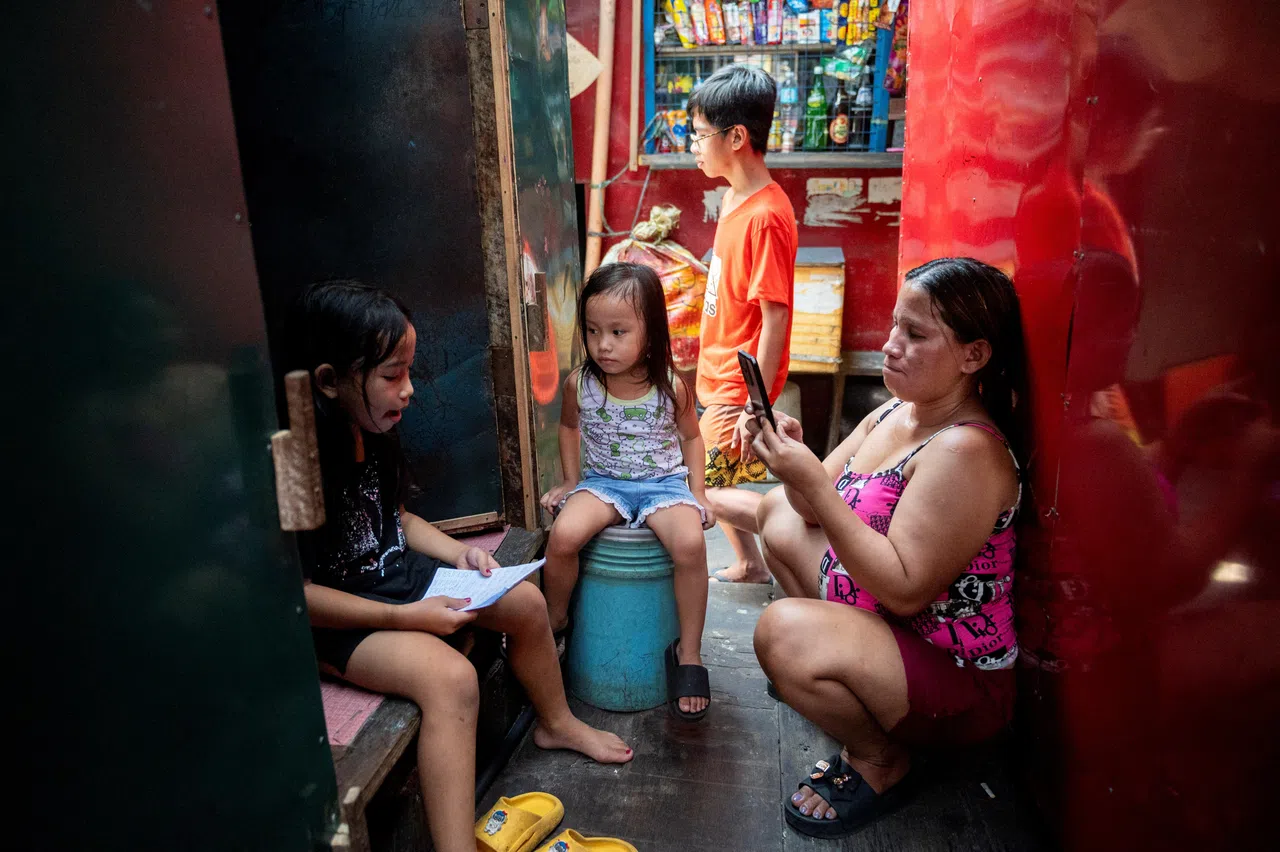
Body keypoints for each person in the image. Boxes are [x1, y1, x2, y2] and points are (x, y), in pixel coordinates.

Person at [291, 282, 632, 852]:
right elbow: (301, 599)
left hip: (401, 581)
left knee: (523, 601)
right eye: (392, 375)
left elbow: (397, 517)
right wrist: (408, 619)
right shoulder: (302, 468)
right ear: (329, 381)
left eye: (409, 372)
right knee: (452, 681)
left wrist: (459, 554)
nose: (410, 390)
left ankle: (556, 722)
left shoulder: (373, 430)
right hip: (347, 622)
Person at [746, 258, 1027, 838]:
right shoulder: (894, 411)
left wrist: (816, 484)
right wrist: (792, 463)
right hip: (894, 633)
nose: (890, 345)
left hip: (954, 676)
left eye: (916, 334)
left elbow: (903, 589)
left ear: (974, 356)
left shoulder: (966, 453)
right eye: (895, 325)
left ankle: (881, 758)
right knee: (775, 513)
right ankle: (844, 691)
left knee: (782, 631)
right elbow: (805, 509)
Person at [539, 263, 716, 720]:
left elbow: (693, 439)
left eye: (618, 331)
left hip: (661, 485)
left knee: (691, 544)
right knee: (562, 537)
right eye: (594, 331)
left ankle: (690, 653)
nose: (603, 344)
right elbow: (568, 428)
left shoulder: (670, 388)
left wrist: (699, 494)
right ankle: (555, 620)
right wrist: (571, 481)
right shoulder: (580, 384)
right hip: (603, 484)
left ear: (652, 333)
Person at [687, 63, 799, 584]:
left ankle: (793, 528)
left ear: (736, 137)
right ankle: (752, 563)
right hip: (715, 367)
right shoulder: (734, 197)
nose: (694, 145)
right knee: (722, 472)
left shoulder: (767, 216)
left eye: (700, 134)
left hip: (737, 380)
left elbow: (774, 315)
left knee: (701, 487)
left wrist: (758, 402)